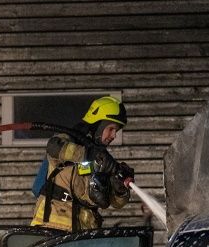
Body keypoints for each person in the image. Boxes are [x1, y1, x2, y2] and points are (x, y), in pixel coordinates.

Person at [30, 96, 134, 232]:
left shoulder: (101, 162)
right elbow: (54, 147)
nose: (114, 135)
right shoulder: (69, 140)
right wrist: (89, 154)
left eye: (116, 131)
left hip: (83, 233)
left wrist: (120, 189)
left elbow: (116, 203)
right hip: (52, 228)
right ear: (98, 125)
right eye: (111, 128)